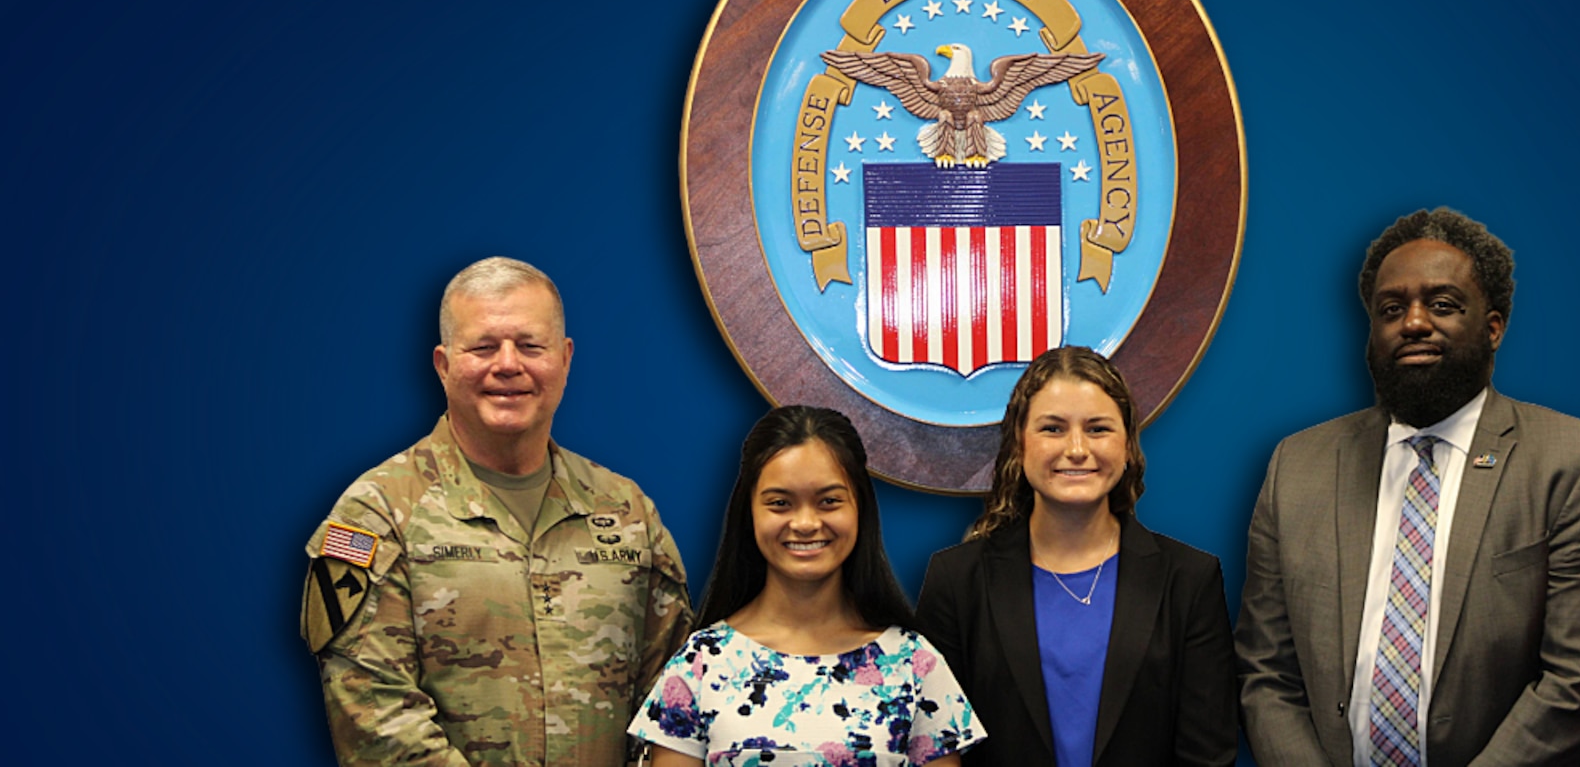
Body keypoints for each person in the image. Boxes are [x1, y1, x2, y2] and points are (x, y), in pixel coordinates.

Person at [1236, 208, 1580, 767]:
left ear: (1494, 326)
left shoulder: (1576, 462)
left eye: (1443, 304)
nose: (1414, 323)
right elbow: (1267, 674)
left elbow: (1579, 684)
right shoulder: (1297, 465)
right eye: (1391, 309)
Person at [300, 257, 692, 767]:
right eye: (483, 347)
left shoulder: (626, 511)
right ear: (442, 365)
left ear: (566, 358)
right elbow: (378, 722)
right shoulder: (377, 514)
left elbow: (673, 704)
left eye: (531, 346)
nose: (508, 364)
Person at [917, 346, 1238, 767]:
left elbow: (1208, 755)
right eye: (1052, 429)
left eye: (1097, 429)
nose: (1076, 449)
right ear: (1019, 443)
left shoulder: (1189, 580)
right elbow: (936, 746)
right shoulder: (957, 580)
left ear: (1127, 445)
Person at [631, 405, 984, 765]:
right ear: (749, 511)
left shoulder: (915, 664)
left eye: (829, 501)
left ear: (860, 507)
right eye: (780, 503)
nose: (804, 523)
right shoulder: (700, 663)